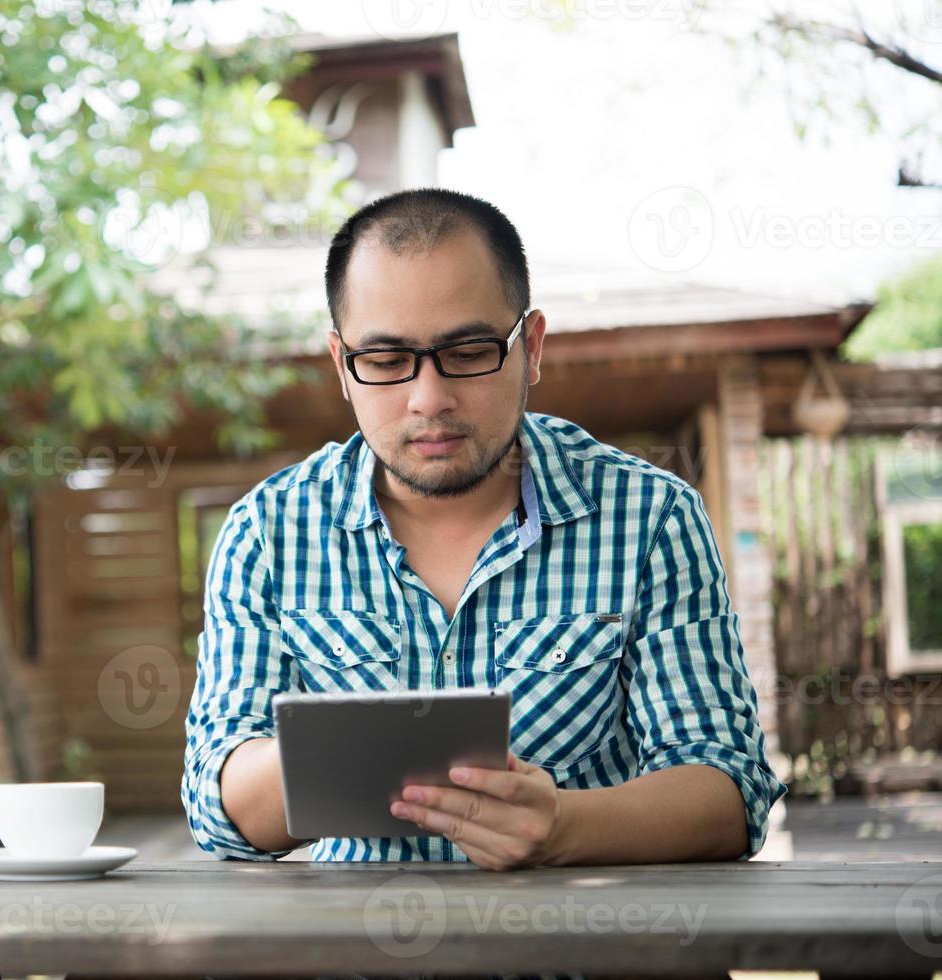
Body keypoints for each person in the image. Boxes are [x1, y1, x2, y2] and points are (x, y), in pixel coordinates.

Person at [180, 187, 784, 868]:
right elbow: (214, 802)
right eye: (384, 361)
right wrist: (362, 759)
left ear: (528, 346)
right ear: (341, 367)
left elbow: (728, 790)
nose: (428, 398)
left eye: (466, 352)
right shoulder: (266, 533)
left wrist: (563, 827)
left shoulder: (648, 517)